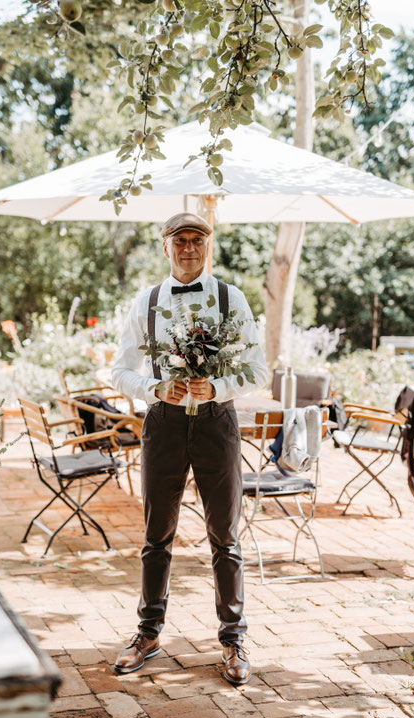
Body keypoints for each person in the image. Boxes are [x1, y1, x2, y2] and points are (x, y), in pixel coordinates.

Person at [111, 212, 267, 685]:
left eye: (197, 240)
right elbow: (119, 371)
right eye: (180, 240)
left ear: (207, 245)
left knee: (226, 536)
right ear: (166, 247)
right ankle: (148, 633)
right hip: (163, 424)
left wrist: (216, 387)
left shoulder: (229, 298)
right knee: (156, 534)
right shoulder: (149, 301)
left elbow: (259, 371)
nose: (189, 248)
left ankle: (233, 640)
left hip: (217, 424)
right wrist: (156, 389)